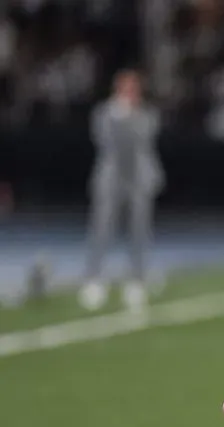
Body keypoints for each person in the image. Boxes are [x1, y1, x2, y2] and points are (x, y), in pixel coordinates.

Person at [79, 69, 164, 312]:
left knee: (139, 231)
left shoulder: (146, 114)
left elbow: (143, 140)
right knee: (101, 228)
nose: (129, 92)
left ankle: (136, 281)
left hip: (138, 180)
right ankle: (93, 280)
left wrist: (130, 117)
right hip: (110, 179)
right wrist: (119, 117)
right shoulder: (104, 113)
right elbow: (105, 141)